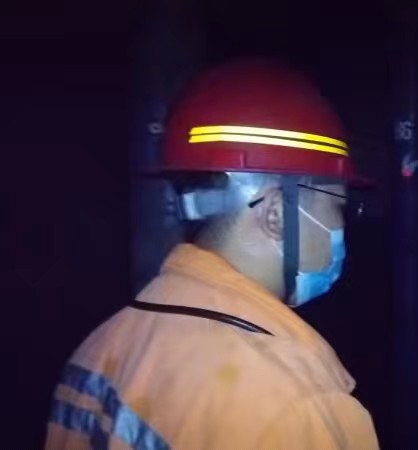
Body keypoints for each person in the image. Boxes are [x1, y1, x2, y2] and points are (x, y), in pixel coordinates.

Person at [45, 60, 380, 449]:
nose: (341, 226)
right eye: (339, 206)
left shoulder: (103, 346)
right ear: (277, 213)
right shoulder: (292, 402)